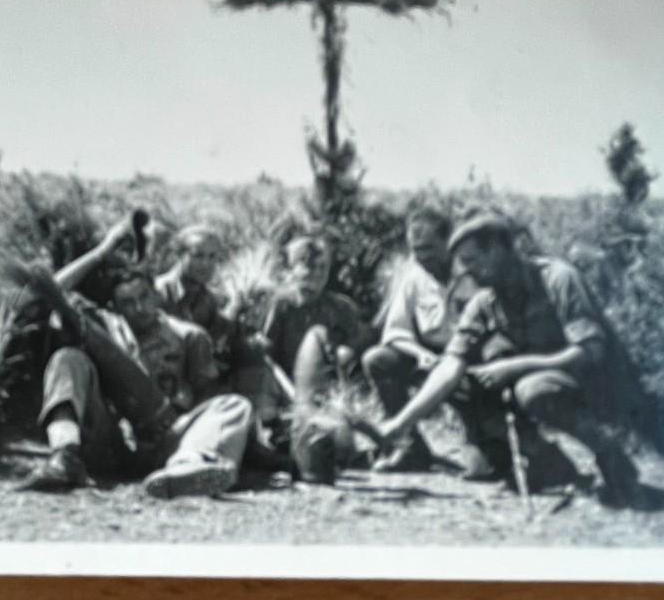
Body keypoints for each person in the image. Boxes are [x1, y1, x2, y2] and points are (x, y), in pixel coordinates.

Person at [373, 212, 643, 506]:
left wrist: (514, 366)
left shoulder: (558, 279)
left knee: (533, 389)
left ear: (499, 250)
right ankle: (541, 458)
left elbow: (591, 353)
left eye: (472, 259)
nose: (465, 271)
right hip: (535, 382)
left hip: (593, 385)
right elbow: (450, 366)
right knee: (469, 382)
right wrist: (401, 423)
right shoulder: (484, 301)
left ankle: (608, 452)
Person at [19, 262, 253, 499]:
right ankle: (65, 455)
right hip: (112, 442)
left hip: (166, 441)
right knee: (67, 358)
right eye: (128, 303)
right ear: (115, 307)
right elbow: (45, 293)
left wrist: (184, 409)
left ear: (156, 295)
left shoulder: (189, 336)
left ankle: (188, 468)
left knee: (234, 404)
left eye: (144, 297)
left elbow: (207, 396)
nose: (139, 308)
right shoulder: (104, 327)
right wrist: (102, 252)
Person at [363, 207, 491, 474]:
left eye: (429, 249)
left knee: (482, 470)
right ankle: (410, 447)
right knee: (378, 360)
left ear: (448, 242)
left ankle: (483, 443)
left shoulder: (474, 273)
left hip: (473, 362)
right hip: (429, 358)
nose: (421, 258)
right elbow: (396, 333)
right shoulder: (412, 278)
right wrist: (419, 353)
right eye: (415, 250)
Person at [254, 235, 364, 408]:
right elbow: (268, 354)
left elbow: (356, 344)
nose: (318, 273)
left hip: (331, 385)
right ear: (292, 269)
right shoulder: (281, 305)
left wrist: (346, 352)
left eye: (323, 267)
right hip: (289, 385)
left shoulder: (341, 307)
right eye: (310, 267)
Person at [155, 224, 241, 385]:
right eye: (198, 256)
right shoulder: (158, 293)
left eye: (212, 257)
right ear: (180, 256)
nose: (206, 264)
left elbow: (214, 341)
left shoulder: (209, 299)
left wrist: (235, 307)